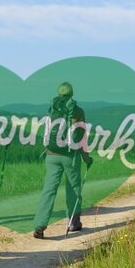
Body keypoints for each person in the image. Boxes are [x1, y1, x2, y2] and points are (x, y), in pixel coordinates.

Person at [32, 82, 93, 239]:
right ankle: (73, 222)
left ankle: (40, 224)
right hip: (70, 157)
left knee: (49, 190)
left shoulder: (52, 109)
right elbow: (81, 138)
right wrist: (87, 158)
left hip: (51, 155)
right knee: (73, 188)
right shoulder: (78, 111)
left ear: (58, 94)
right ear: (72, 94)